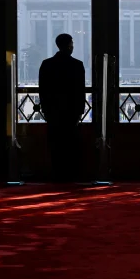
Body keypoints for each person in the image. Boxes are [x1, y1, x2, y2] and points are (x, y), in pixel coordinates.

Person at [37, 33, 86, 183]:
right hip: (71, 111)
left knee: (56, 145)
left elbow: (43, 90)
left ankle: (57, 173)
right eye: (72, 44)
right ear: (70, 46)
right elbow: (80, 91)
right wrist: (80, 111)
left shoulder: (46, 64)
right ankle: (71, 174)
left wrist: (45, 109)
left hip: (53, 111)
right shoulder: (77, 65)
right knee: (71, 145)